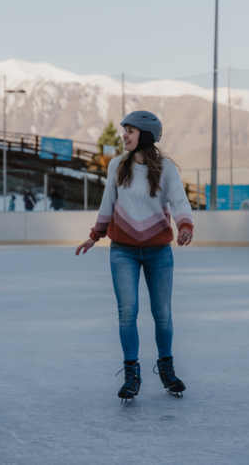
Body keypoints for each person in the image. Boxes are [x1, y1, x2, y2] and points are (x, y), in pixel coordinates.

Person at [75, 111, 194, 403]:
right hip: (123, 251)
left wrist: (185, 225)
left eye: (130, 130)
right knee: (127, 312)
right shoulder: (117, 166)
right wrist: (95, 235)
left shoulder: (166, 169)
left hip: (159, 252)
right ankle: (132, 374)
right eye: (124, 130)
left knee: (162, 314)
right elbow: (107, 204)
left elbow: (179, 201)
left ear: (147, 136)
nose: (125, 135)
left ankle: (166, 368)